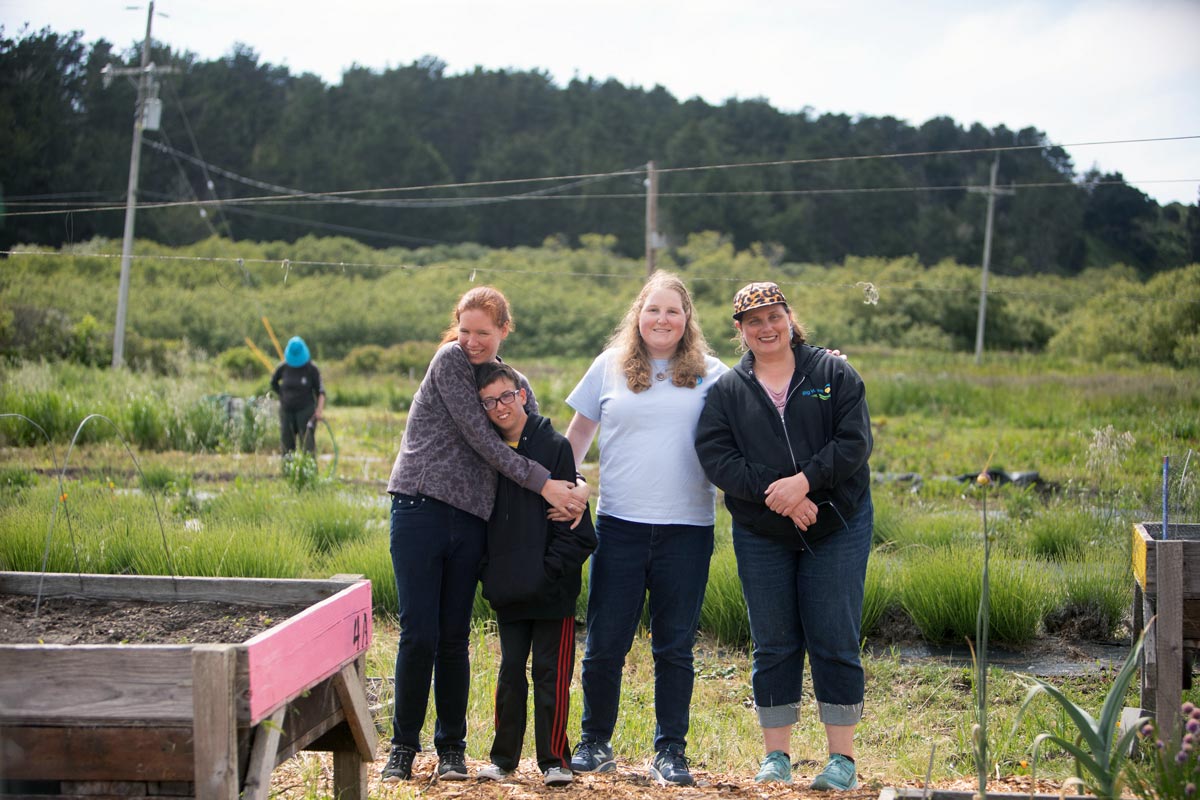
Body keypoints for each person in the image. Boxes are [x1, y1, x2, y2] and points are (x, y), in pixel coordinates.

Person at [381, 286, 590, 783]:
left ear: (503, 332)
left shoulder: (511, 383)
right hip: (421, 506)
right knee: (418, 634)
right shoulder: (449, 362)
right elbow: (482, 440)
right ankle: (402, 748)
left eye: (483, 332)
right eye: (465, 329)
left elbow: (538, 440)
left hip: (473, 520)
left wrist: (575, 486)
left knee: (455, 637)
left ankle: (451, 748)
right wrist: (545, 484)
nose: (471, 341)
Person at [694, 282, 873, 791]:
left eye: (774, 316)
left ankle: (842, 761)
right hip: (763, 529)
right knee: (773, 641)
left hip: (837, 521)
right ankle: (777, 756)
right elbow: (718, 457)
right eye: (754, 321)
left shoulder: (832, 373)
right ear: (740, 330)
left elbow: (855, 442)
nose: (766, 328)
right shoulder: (729, 391)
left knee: (833, 634)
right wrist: (780, 496)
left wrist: (805, 483)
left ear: (790, 318)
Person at [562, 270, 728, 786]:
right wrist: (561, 489)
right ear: (639, 314)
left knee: (674, 646)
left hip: (687, 528)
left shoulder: (714, 374)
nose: (662, 319)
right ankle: (595, 741)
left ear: (687, 320)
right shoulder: (609, 367)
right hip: (621, 527)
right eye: (653, 309)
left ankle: (670, 751)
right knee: (606, 641)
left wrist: (819, 358)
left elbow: (769, 387)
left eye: (673, 311)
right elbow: (576, 438)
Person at [472, 361, 597, 788]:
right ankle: (503, 758)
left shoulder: (554, 446)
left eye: (506, 396)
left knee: (551, 672)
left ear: (522, 395)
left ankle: (555, 760)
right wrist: (491, 573)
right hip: (507, 586)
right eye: (489, 402)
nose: (500, 406)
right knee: (510, 672)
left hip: (551, 589)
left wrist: (550, 572)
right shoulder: (487, 451)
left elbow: (576, 526)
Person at [270, 336, 325, 457]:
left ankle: (308, 472)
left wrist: (319, 410)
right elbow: (273, 383)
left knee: (307, 444)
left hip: (305, 410)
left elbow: (320, 391)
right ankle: (288, 472)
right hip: (287, 411)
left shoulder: (311, 369)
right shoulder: (283, 367)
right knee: (287, 443)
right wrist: (282, 395)